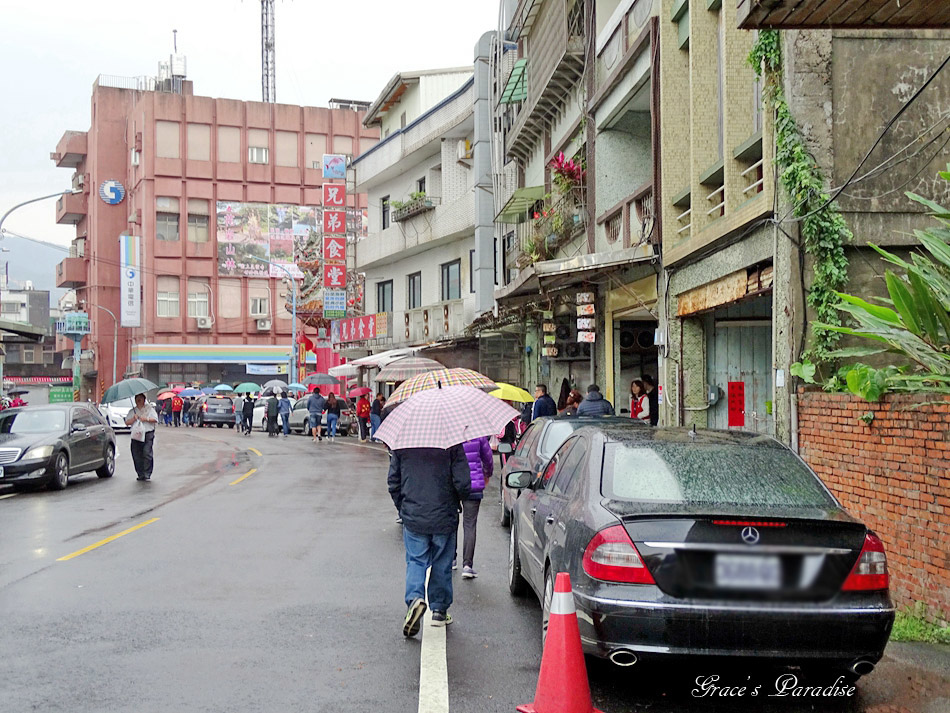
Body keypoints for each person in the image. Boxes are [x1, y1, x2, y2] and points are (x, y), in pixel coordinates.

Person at [388, 443, 472, 634]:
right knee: (442, 561)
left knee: (416, 560)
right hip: (444, 513)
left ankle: (415, 599)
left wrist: (403, 506)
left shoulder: (403, 444)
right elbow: (463, 481)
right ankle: (439, 610)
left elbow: (393, 481)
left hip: (414, 513)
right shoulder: (451, 444)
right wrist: (458, 500)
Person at [459, 436, 493, 579]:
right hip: (474, 485)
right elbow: (488, 457)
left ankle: (451, 559)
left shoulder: (450, 429)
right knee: (470, 524)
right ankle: (467, 565)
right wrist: (487, 474)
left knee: (451, 521)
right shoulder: (479, 434)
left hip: (454, 484)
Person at [124, 393, 159, 481]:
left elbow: (155, 419)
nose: (138, 401)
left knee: (147, 453)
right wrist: (133, 419)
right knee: (136, 454)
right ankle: (140, 473)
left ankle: (147, 473)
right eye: (137, 399)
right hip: (136, 435)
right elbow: (127, 422)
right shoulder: (133, 411)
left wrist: (146, 419)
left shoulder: (149, 409)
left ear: (144, 400)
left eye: (140, 399)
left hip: (148, 433)